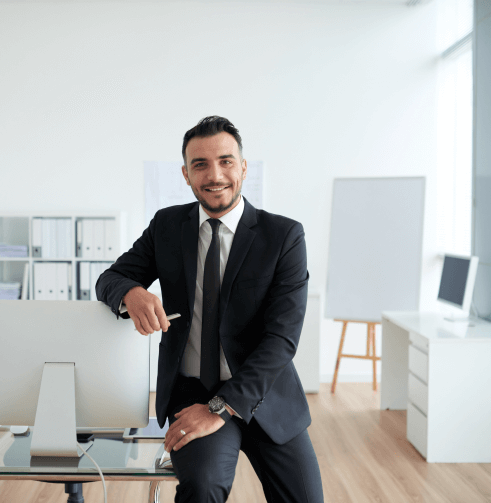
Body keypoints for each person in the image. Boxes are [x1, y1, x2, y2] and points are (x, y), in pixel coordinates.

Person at [97, 116, 324, 502]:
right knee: (202, 489)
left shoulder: (283, 235)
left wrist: (220, 408)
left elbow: (282, 340)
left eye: (226, 161)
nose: (215, 175)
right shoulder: (167, 226)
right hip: (193, 393)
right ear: (186, 174)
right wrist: (131, 292)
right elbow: (110, 278)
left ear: (243, 168)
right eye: (200, 164)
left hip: (265, 394)